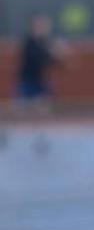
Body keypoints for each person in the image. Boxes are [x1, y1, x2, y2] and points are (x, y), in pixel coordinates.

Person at [5, 14, 69, 154]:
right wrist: (51, 52)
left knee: (43, 109)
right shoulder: (29, 41)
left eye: (45, 25)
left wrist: (59, 55)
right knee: (19, 110)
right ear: (34, 26)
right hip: (26, 79)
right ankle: (5, 131)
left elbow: (53, 63)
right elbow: (34, 58)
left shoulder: (46, 42)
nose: (43, 28)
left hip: (40, 80)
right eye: (40, 25)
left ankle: (40, 137)